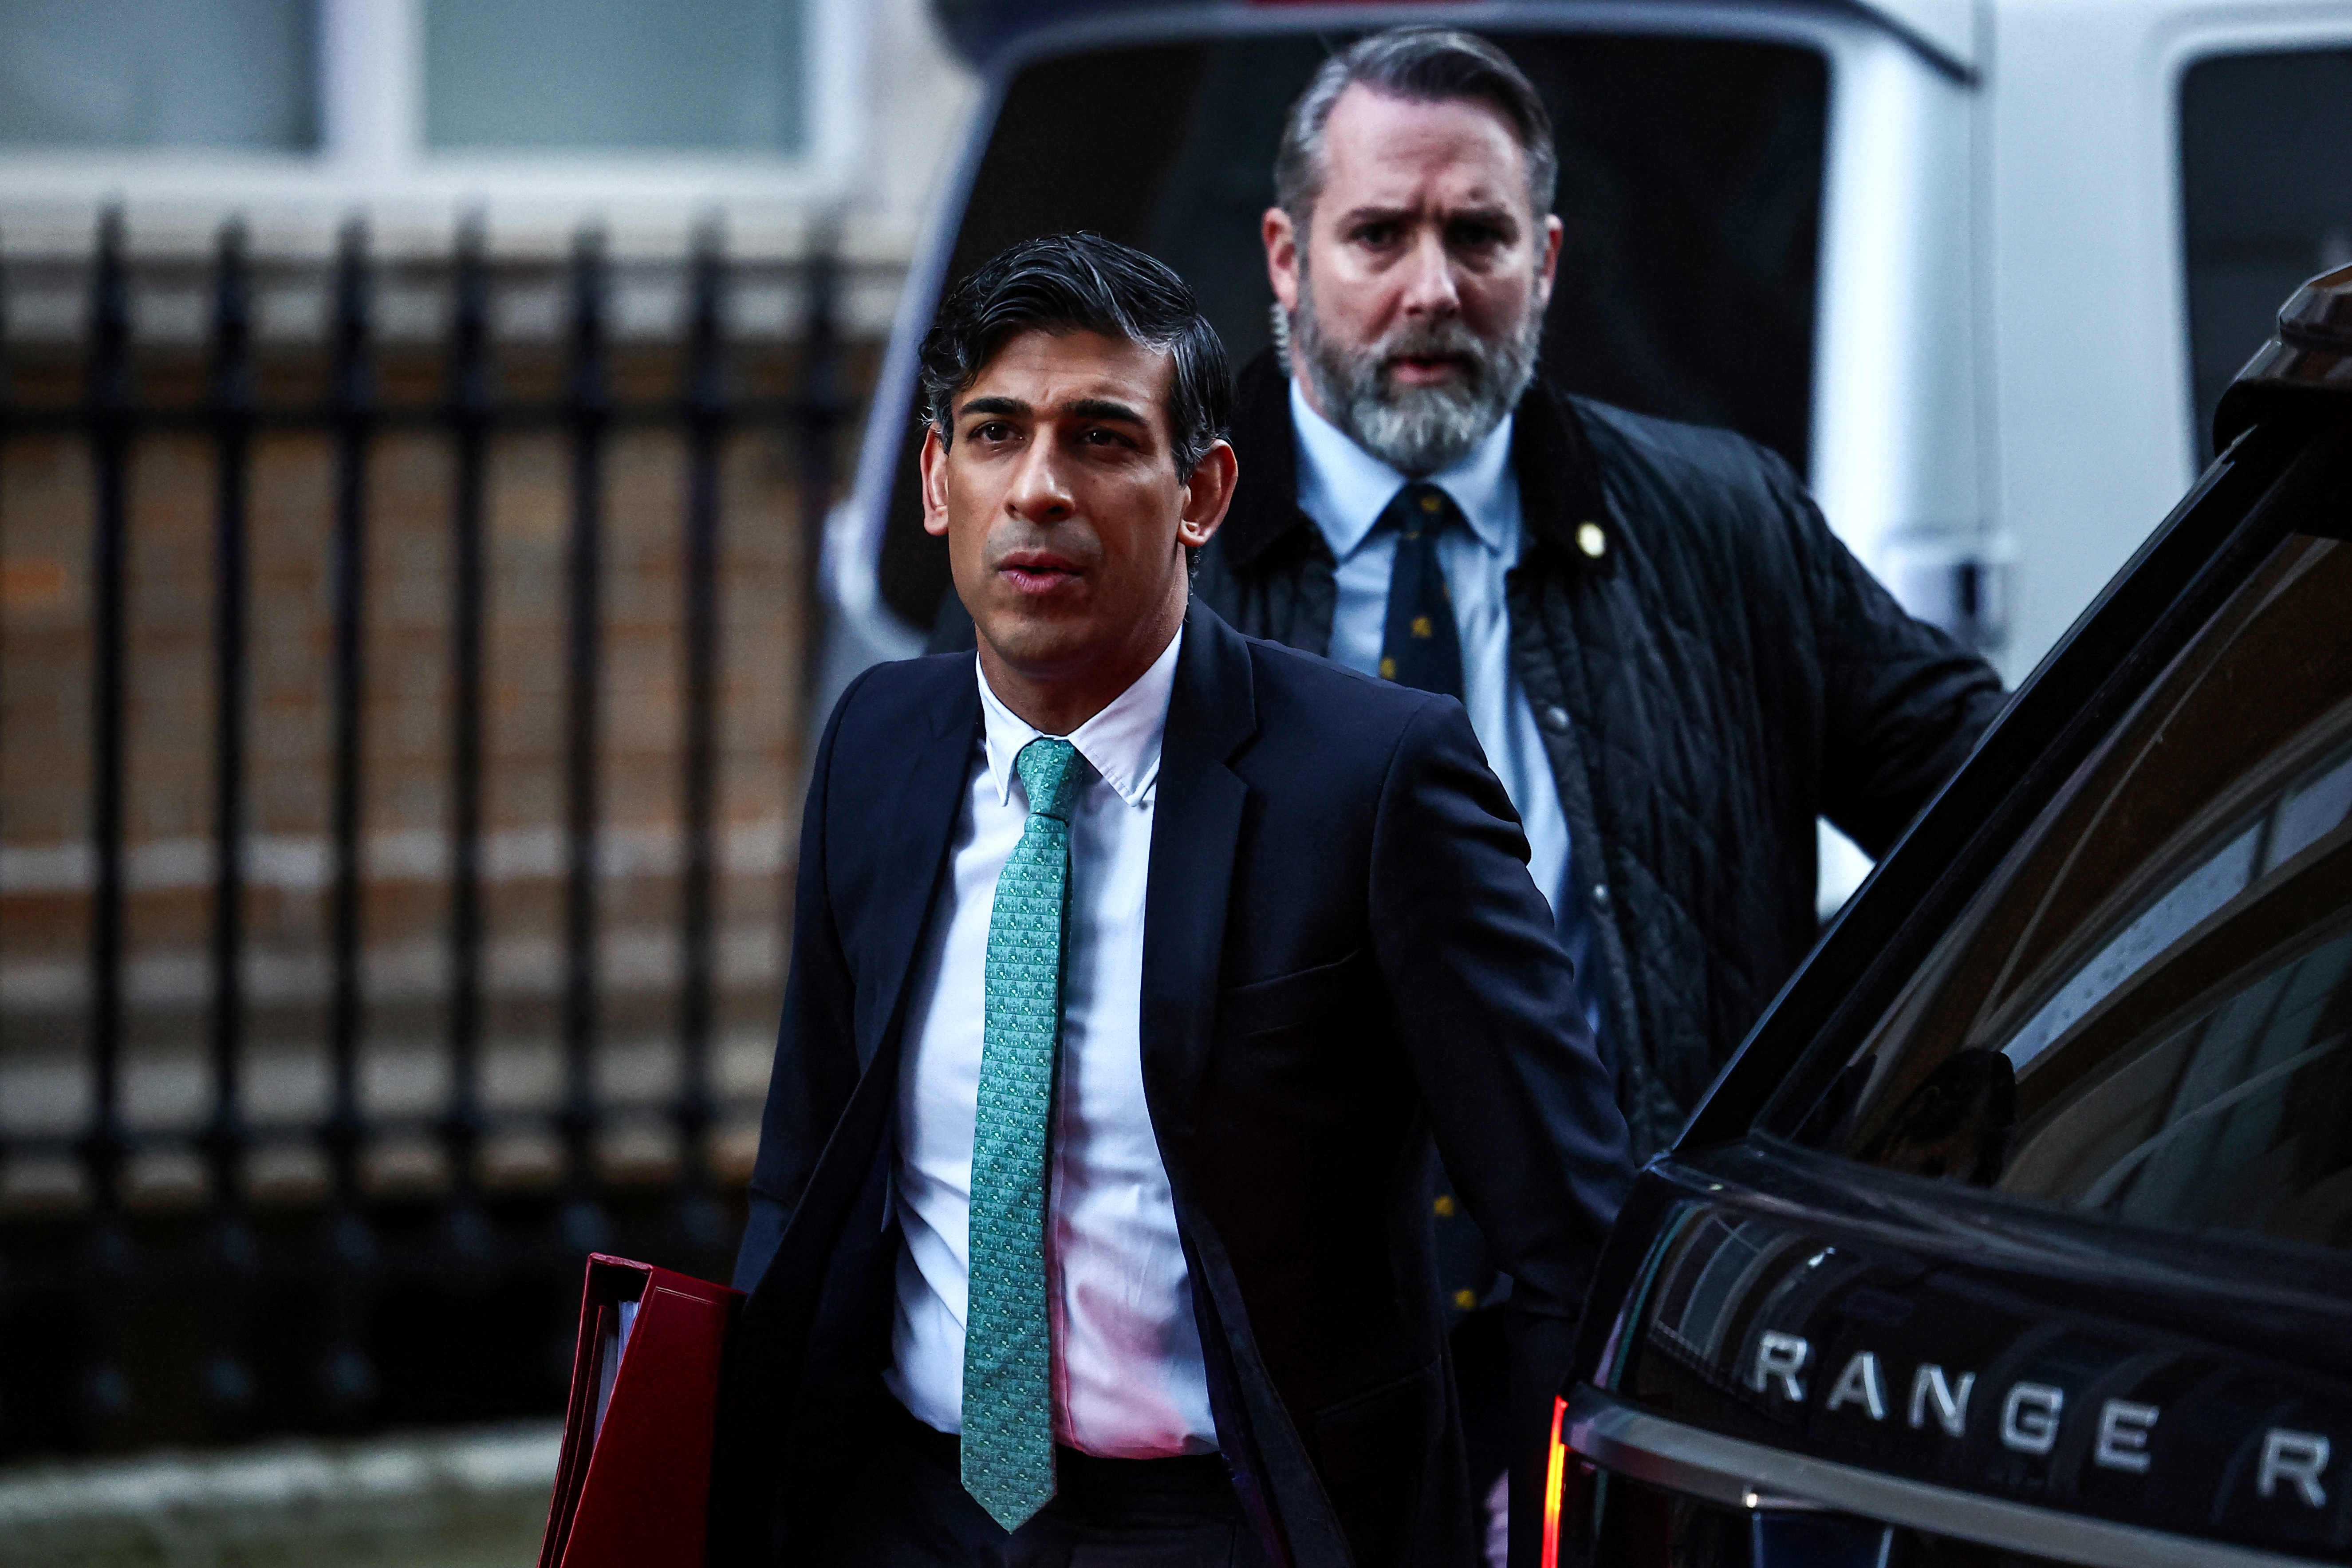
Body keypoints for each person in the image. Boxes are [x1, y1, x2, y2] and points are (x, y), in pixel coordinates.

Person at [709, 233, 1631, 1568]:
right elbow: (802, 1169)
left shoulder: (1371, 779)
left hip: (1233, 1522)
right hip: (906, 1511)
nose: (1037, 490)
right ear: (932, 481)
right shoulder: (877, 744)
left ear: (1199, 491)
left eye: (1098, 439)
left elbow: (1570, 1234)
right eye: (992, 435)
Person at [1197, 27, 2007, 1157]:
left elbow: (2015, 811)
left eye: (1477, 236)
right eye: (1378, 237)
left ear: (1545, 261)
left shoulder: (1723, 525)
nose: (1431, 290)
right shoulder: (1158, 556)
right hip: (1279, 1318)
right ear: (1288, 259)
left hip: (1628, 1301)